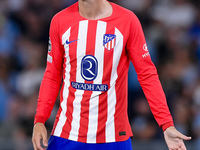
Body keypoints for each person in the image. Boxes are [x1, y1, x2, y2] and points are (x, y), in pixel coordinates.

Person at [32, 0, 192, 150]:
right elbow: (52, 75)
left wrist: (166, 123)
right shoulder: (60, 21)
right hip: (66, 136)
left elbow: (147, 75)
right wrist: (40, 119)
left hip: (113, 137)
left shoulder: (127, 21)